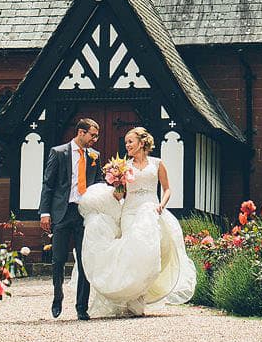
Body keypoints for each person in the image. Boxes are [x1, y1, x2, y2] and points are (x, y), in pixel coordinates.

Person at [76, 126, 196, 314]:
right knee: (131, 256)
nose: (127, 145)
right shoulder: (124, 167)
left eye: (130, 141)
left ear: (141, 142)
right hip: (130, 213)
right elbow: (120, 195)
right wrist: (115, 184)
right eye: (126, 143)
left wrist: (161, 206)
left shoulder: (157, 164)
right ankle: (129, 300)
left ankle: (140, 297)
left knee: (149, 256)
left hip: (151, 212)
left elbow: (167, 189)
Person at [39, 117, 101, 319]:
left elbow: (98, 182)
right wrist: (45, 213)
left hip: (84, 213)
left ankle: (81, 307)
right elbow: (48, 184)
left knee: (86, 260)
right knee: (58, 260)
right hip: (62, 213)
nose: (95, 139)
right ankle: (58, 298)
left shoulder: (94, 156)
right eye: (93, 135)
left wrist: (114, 184)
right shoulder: (58, 152)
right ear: (81, 132)